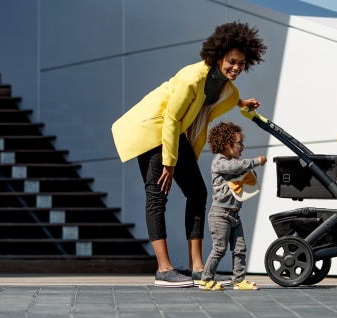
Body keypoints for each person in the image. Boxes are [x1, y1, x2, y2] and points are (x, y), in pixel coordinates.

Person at [111, 22, 267, 287]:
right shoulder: (191, 78)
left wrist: (242, 103)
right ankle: (164, 268)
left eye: (241, 63)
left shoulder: (229, 89)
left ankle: (197, 267)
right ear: (218, 56)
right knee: (157, 194)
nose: (236, 68)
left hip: (173, 134)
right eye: (232, 61)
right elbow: (171, 117)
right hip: (153, 128)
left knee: (197, 192)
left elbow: (218, 97)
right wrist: (169, 164)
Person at [198, 121, 266, 291]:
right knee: (220, 248)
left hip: (235, 215)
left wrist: (250, 173)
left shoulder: (234, 162)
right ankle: (205, 279)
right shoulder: (220, 162)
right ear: (227, 144)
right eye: (239, 143)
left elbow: (246, 174)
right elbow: (236, 167)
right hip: (220, 214)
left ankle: (239, 280)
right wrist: (255, 161)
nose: (242, 147)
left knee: (240, 248)